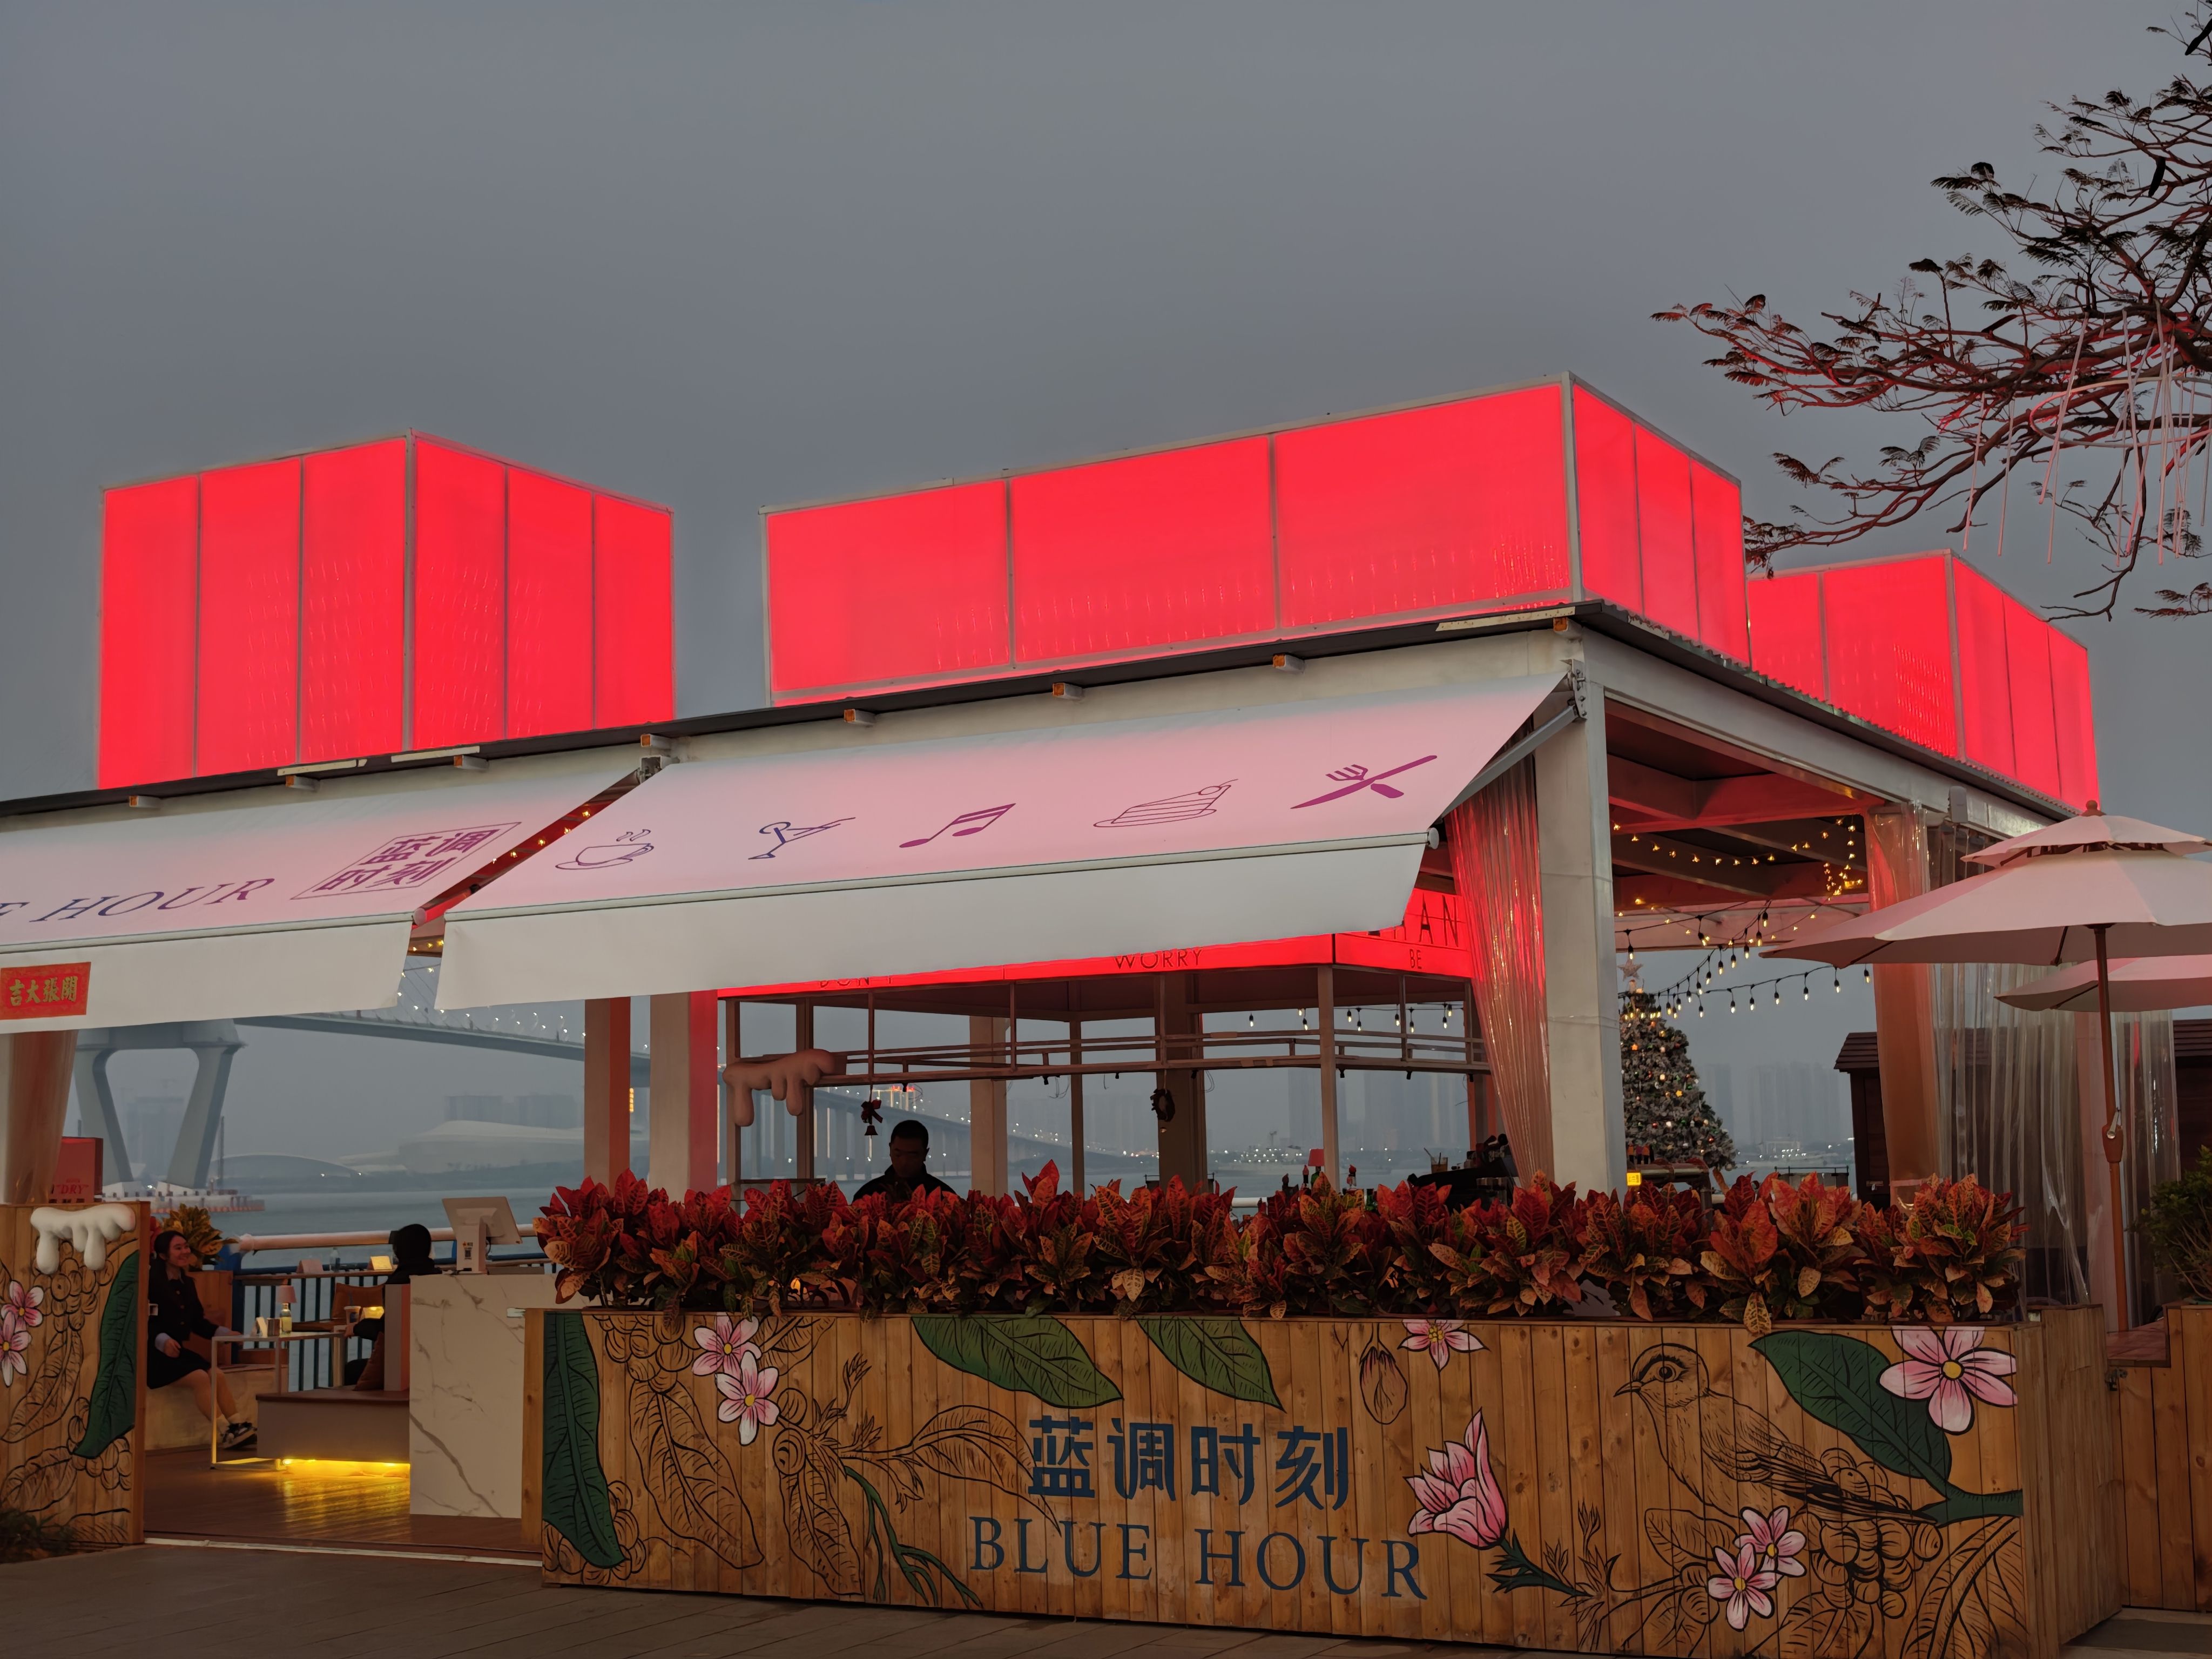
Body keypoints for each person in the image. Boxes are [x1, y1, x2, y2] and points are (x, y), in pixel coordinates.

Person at [147, 1229, 253, 1452]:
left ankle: (237, 1425)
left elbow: (197, 1322)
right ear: (163, 1255)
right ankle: (224, 1432)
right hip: (152, 1355)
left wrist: (226, 1334)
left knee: (217, 1374)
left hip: (178, 1352)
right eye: (178, 1248)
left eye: (186, 1247)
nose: (185, 1252)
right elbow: (143, 1321)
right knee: (200, 1378)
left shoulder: (188, 1283)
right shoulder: (150, 1283)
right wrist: (162, 1341)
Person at [345, 1223, 444, 1389]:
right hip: (433, 1361)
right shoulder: (438, 1278)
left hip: (403, 1366)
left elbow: (389, 1330)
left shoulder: (400, 1282)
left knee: (352, 1369)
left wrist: (356, 1328)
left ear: (399, 1251)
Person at [851, 1120, 958, 1204]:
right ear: (890, 1150)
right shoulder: (868, 1195)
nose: (904, 1162)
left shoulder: (944, 1197)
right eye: (898, 1155)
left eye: (912, 1156)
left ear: (925, 1154)